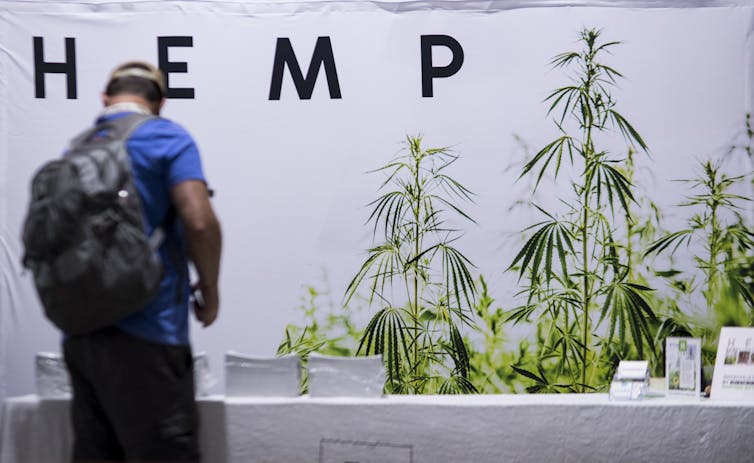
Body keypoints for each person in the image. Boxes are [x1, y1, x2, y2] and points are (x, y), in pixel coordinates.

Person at [61, 61, 222, 462]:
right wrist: (210, 289)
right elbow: (200, 222)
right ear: (160, 103)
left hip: (81, 337)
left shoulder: (77, 147)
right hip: (149, 335)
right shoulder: (166, 137)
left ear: (104, 98)